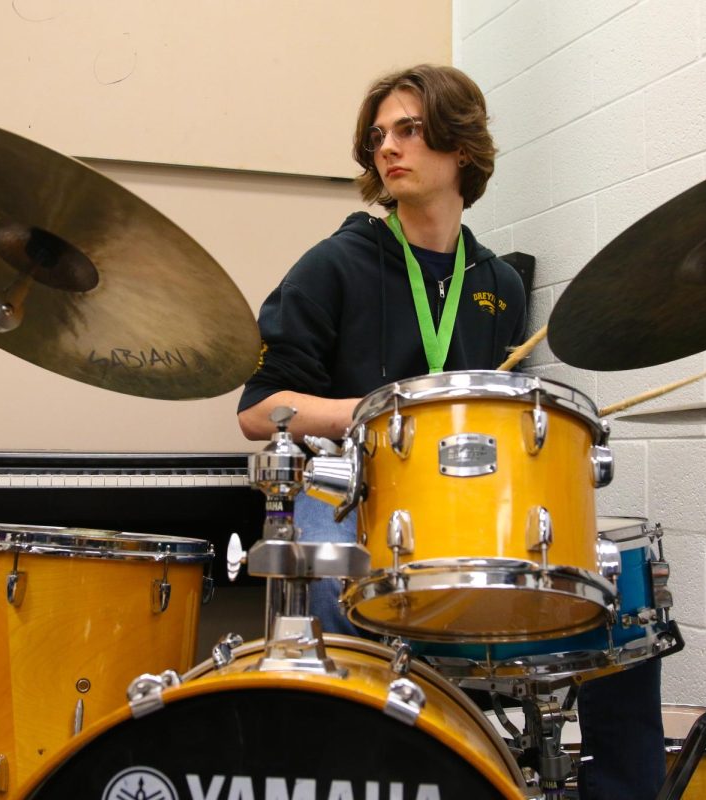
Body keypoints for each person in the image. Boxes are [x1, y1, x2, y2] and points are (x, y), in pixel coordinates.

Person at [237, 64, 664, 800]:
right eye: (378, 136)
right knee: (337, 565)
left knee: (626, 585)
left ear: (459, 147)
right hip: (353, 493)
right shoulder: (335, 264)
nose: (387, 149)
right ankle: (365, 771)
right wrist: (379, 408)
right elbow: (258, 407)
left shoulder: (497, 279)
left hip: (470, 504)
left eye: (408, 129)